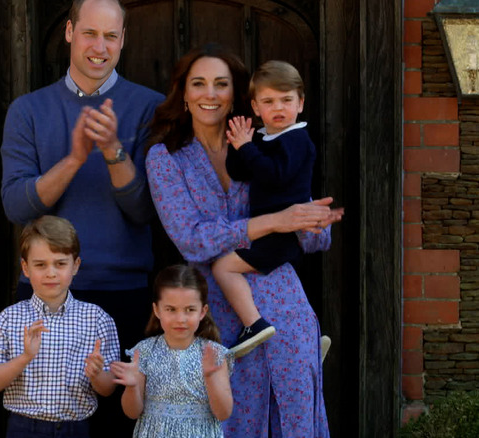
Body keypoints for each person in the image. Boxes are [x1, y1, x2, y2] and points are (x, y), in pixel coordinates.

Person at [145, 44, 342, 437]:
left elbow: (313, 238)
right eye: (198, 84)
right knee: (230, 423)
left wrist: (313, 221)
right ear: (183, 93)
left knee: (294, 419)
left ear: (235, 95)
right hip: (217, 316)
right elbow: (192, 241)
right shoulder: (166, 159)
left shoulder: (266, 144)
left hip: (285, 307)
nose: (210, 94)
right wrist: (274, 221)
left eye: (221, 84)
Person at [0, 0, 163, 434]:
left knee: (117, 426)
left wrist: (113, 152)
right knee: (42, 421)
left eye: (111, 36)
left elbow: (147, 210)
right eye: (90, 33)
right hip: (44, 297)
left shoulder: (151, 108)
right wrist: (73, 159)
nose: (100, 46)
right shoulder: (28, 110)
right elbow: (16, 206)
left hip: (123, 294)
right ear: (69, 32)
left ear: (124, 40)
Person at [211, 60, 316, 358]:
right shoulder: (264, 137)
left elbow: (274, 175)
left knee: (223, 267)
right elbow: (240, 171)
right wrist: (238, 144)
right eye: (269, 102)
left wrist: (247, 147)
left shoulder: (297, 140)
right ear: (256, 108)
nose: (278, 108)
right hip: (268, 229)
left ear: (301, 103)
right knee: (274, 289)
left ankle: (253, 324)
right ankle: (303, 341)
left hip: (281, 233)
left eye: (286, 100)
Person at [0, 215, 119, 438]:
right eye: (40, 264)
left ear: (76, 266)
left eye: (60, 263)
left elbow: (108, 388)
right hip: (23, 428)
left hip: (76, 428)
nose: (51, 272)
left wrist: (96, 375)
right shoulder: (9, 318)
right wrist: (25, 357)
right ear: (25, 268)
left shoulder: (97, 319)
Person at [111, 264, 233, 438]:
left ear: (202, 312)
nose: (180, 319)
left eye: (190, 310)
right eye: (171, 309)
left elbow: (224, 413)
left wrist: (211, 378)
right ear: (157, 310)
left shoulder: (214, 354)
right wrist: (132, 387)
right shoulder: (144, 351)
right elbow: (132, 413)